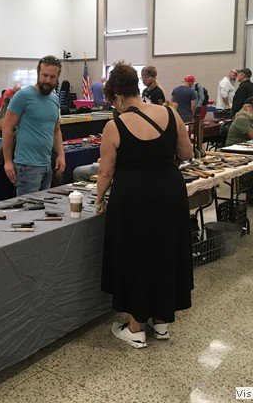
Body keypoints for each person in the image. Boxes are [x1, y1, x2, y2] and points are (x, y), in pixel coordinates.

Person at [93, 62, 193, 349]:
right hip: (170, 191)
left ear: (117, 96)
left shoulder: (114, 126)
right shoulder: (169, 113)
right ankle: (161, 322)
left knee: (135, 255)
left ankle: (135, 327)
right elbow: (186, 153)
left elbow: (106, 173)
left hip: (133, 196)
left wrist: (98, 200)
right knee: (165, 250)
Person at [2, 55, 65, 196]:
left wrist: (61, 155)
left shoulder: (54, 100)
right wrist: (8, 161)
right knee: (27, 208)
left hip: (47, 164)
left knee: (43, 206)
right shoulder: (22, 96)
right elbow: (7, 128)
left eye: (52, 77)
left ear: (57, 78)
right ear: (38, 73)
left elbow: (56, 130)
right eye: (45, 75)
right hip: (27, 166)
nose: (47, 80)